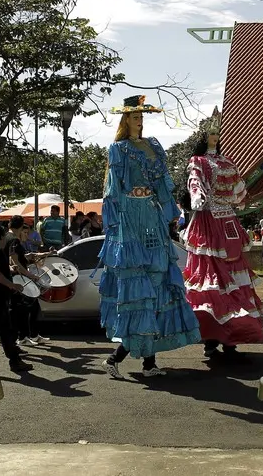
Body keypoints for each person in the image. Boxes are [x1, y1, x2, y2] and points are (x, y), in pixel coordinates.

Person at [99, 95, 201, 379]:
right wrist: (116, 227)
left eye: (141, 117)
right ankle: (116, 359)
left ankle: (148, 363)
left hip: (153, 216)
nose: (139, 121)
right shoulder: (118, 149)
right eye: (134, 117)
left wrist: (171, 211)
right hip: (131, 216)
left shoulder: (154, 144)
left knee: (156, 289)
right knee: (139, 291)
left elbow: (163, 181)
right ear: (125, 120)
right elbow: (113, 188)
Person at [181, 106, 263, 358]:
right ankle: (211, 338)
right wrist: (197, 196)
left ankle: (231, 338)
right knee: (210, 279)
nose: (215, 139)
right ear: (203, 138)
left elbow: (239, 187)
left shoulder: (226, 161)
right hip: (208, 220)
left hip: (227, 220)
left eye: (217, 135)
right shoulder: (198, 161)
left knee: (234, 279)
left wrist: (240, 197)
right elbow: (194, 181)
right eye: (211, 135)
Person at [0, 224, 33, 376]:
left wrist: (11, 270)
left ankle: (15, 361)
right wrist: (12, 285)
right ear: (1, 237)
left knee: (6, 331)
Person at [5, 215, 52, 346]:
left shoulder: (9, 238)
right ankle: (19, 338)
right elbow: (14, 261)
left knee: (30, 307)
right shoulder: (13, 240)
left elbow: (17, 259)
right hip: (19, 278)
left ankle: (30, 336)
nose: (26, 234)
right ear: (20, 226)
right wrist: (31, 276)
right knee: (21, 310)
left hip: (19, 277)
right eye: (24, 231)